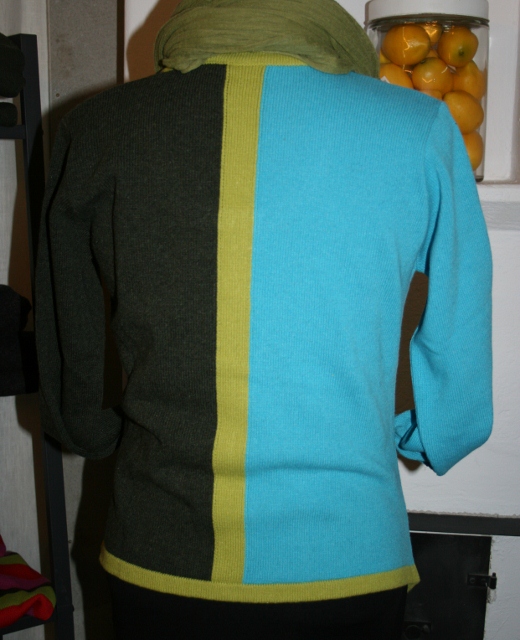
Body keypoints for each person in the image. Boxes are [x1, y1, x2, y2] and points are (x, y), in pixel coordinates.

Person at [35, 0, 493, 638]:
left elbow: (67, 331)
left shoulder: (100, 127)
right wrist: (425, 433)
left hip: (159, 549)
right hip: (348, 555)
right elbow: (462, 343)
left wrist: (87, 427)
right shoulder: (418, 126)